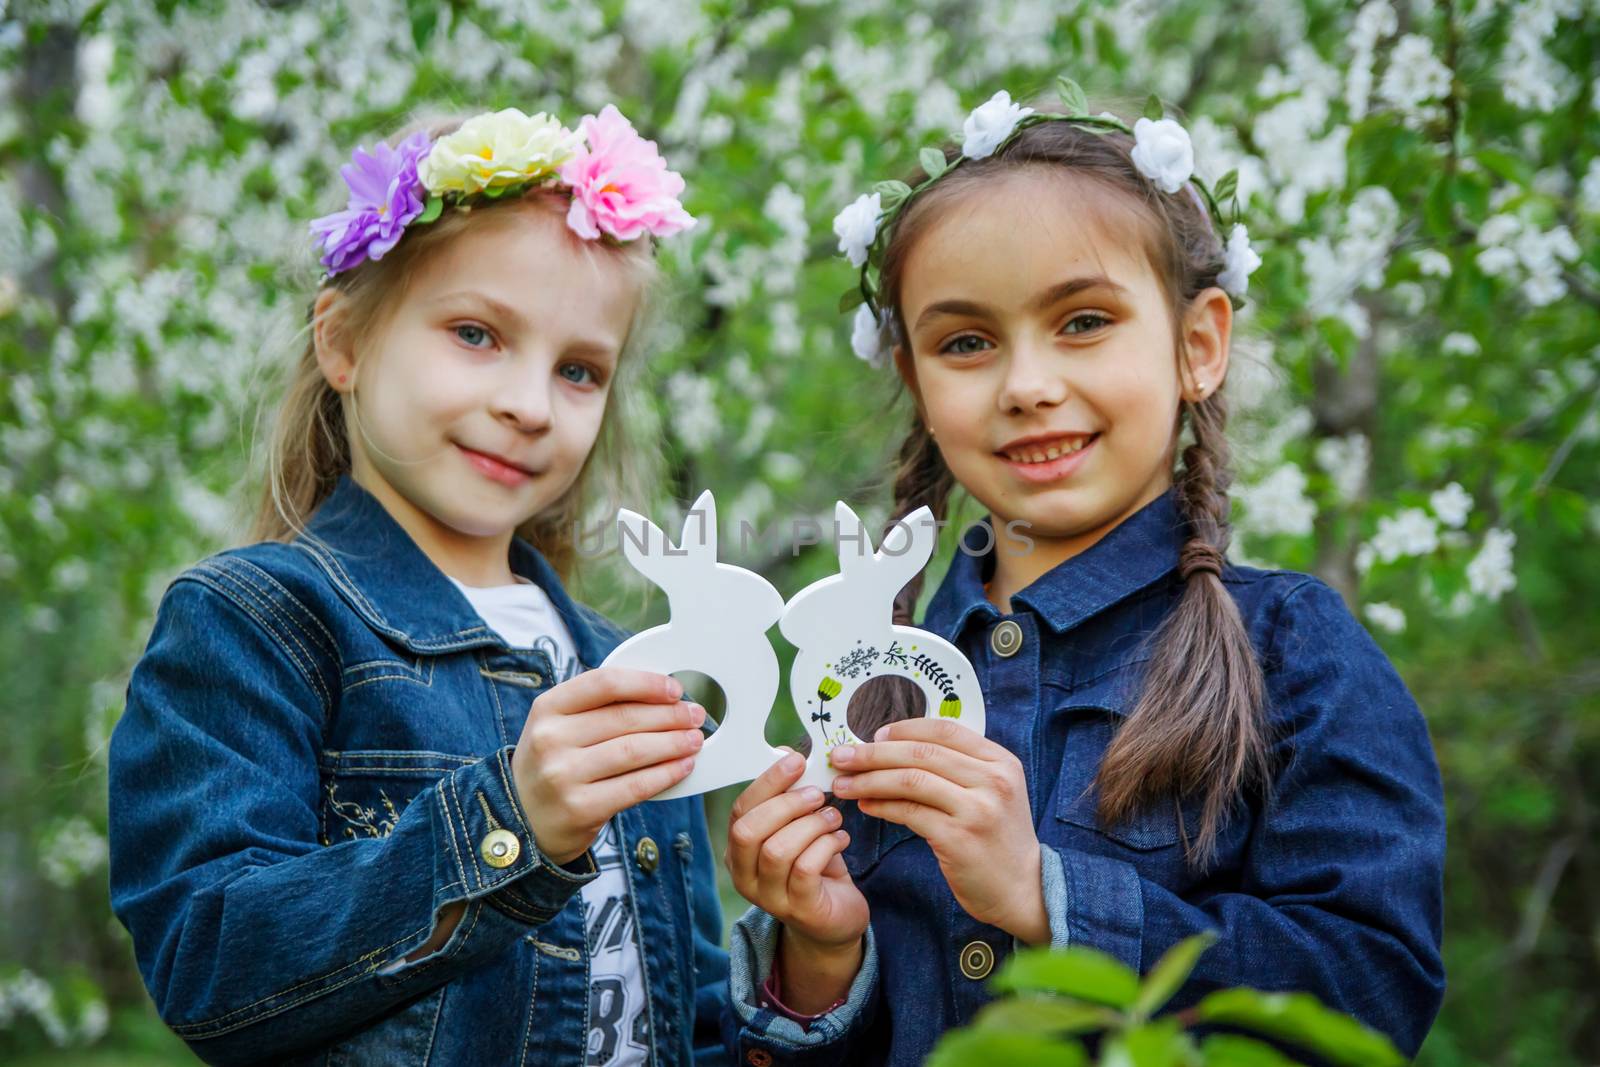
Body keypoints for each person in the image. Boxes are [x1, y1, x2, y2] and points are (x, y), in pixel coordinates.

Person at [720, 85, 1446, 1065]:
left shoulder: (1292, 652)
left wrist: (1043, 895)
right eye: (966, 342)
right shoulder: (871, 684)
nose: (1026, 384)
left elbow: (1367, 996)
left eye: (1083, 320)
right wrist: (819, 954)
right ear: (915, 380)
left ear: (1198, 345)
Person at [109, 103, 727, 1066]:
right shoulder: (258, 623)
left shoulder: (629, 667)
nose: (527, 405)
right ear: (343, 342)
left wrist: (812, 962)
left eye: (578, 369)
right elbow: (210, 959)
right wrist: (508, 821)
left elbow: (696, 1010)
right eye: (477, 334)